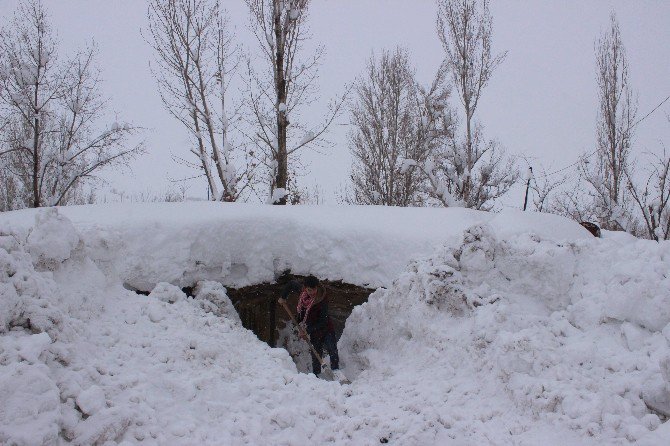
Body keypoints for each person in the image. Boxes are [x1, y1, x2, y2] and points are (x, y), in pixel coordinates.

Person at [279, 275, 340, 376]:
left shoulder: (322, 299)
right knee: (315, 353)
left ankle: (336, 372)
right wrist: (283, 296)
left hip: (326, 328)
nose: (311, 292)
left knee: (332, 349)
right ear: (305, 288)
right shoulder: (303, 292)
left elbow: (323, 321)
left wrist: (307, 331)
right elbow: (290, 284)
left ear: (317, 287)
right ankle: (316, 376)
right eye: (309, 290)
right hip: (314, 330)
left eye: (313, 290)